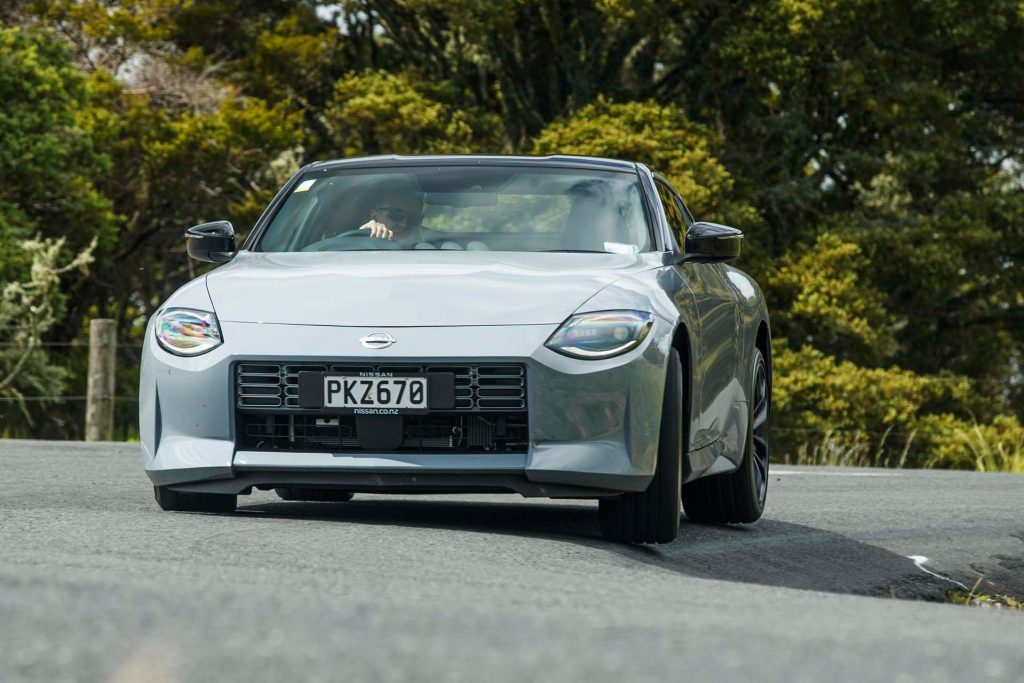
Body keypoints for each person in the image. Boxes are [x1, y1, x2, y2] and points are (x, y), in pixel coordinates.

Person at [358, 191, 435, 247]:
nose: (403, 224)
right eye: (396, 214)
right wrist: (365, 233)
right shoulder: (359, 243)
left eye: (413, 218)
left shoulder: (432, 243)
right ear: (374, 214)